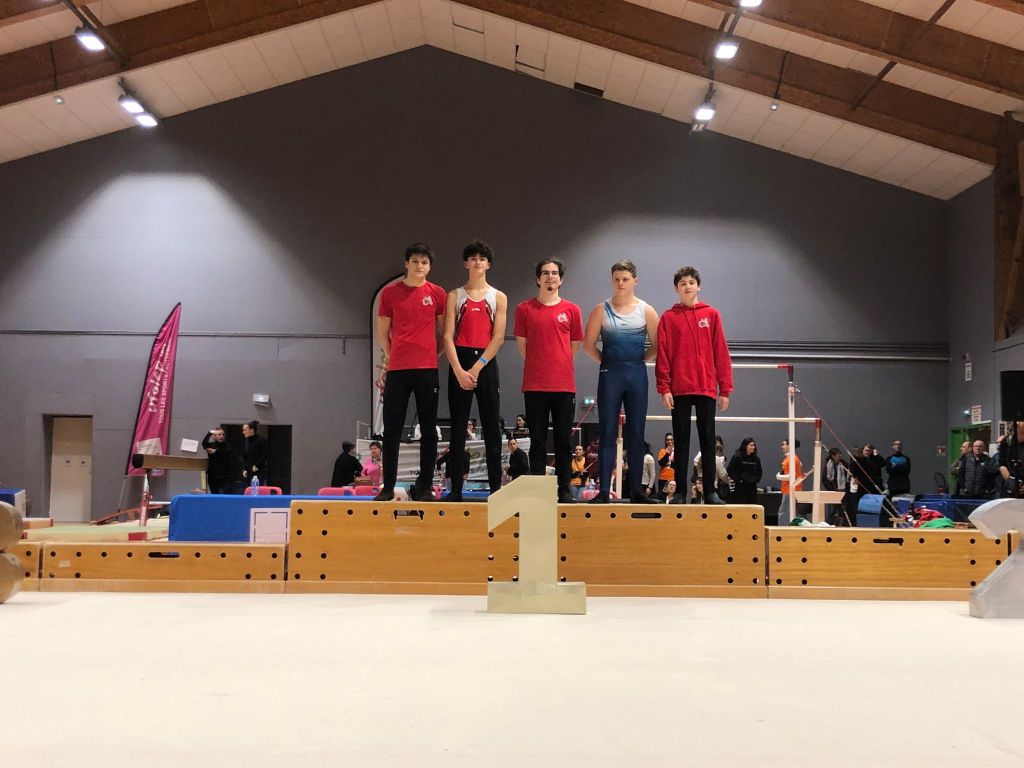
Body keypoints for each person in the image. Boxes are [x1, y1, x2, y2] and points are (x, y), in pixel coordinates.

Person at [582, 260, 659, 504]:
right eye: (616, 279)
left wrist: (638, 361)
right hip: (610, 375)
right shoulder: (600, 310)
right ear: (611, 281)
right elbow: (588, 345)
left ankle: (636, 491)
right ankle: (604, 491)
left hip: (636, 374)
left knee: (636, 433)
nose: (621, 283)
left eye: (625, 279)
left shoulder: (647, 311)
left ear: (635, 281)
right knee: (606, 432)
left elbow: (658, 346)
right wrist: (607, 362)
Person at [375, 243, 447, 502]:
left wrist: (432, 354)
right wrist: (395, 355)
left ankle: (425, 485)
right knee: (392, 429)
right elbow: (383, 332)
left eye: (424, 262)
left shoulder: (437, 293)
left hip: (427, 370)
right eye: (415, 261)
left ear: (430, 267)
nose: (419, 266)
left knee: (428, 430)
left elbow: (444, 334)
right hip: (398, 370)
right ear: (406, 264)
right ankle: (387, 486)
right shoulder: (390, 293)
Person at [655, 266, 733, 505]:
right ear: (676, 289)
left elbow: (721, 352)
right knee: (681, 441)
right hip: (679, 388)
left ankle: (710, 492)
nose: (687, 286)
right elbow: (663, 354)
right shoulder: (668, 318)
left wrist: (725, 389)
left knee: (708, 441)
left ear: (698, 286)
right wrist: (664, 387)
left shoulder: (711, 314)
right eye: (683, 283)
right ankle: (680, 492)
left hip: (705, 387)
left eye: (691, 282)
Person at [442, 240, 507, 501]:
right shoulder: (455, 296)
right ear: (466, 263)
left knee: (492, 428)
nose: (478, 262)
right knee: (458, 429)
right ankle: (455, 490)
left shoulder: (498, 297)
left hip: (486, 363)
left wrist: (477, 368)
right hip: (459, 360)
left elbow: (498, 337)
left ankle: (496, 490)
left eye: (482, 258)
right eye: (473, 258)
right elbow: (447, 337)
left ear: (488, 264)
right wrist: (458, 370)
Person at [514, 258, 584, 504]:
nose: (550, 277)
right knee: (537, 441)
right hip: (535, 386)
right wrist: (541, 364)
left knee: (564, 441)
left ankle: (564, 490)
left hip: (564, 386)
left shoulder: (572, 310)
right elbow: (522, 347)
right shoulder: (524, 309)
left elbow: (575, 346)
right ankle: (538, 492)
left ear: (561, 279)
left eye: (554, 273)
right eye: (545, 273)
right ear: (538, 279)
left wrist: (558, 364)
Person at [776, 439, 807, 519]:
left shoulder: (791, 459)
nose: (782, 447)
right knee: (788, 512)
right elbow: (800, 465)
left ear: (790, 446)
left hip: (790, 489)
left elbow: (791, 476)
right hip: (790, 488)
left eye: (784, 444)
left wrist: (778, 476)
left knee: (784, 513)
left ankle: (784, 527)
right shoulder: (791, 458)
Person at [202, 426, 237, 494]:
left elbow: (227, 452)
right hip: (213, 475)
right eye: (219, 434)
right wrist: (209, 433)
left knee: (227, 493)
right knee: (215, 493)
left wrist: (216, 451)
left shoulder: (227, 445)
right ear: (214, 436)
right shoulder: (211, 445)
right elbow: (204, 444)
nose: (221, 436)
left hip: (225, 475)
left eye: (223, 435)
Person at [727, 437, 762, 505]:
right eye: (751, 445)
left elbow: (759, 471)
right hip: (740, 487)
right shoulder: (737, 457)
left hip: (752, 487)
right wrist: (738, 480)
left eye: (754, 445)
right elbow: (730, 470)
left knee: (752, 505)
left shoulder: (756, 459)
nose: (753, 447)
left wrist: (756, 480)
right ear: (745, 446)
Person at [824, 447, 852, 526]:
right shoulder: (828, 465)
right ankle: (829, 524)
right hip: (832, 490)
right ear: (833, 456)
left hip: (842, 490)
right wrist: (832, 489)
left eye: (840, 454)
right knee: (832, 510)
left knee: (842, 509)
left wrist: (846, 487)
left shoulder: (843, 464)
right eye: (838, 455)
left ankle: (841, 524)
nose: (840, 456)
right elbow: (825, 479)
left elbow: (847, 476)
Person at [998, 422, 1024, 497]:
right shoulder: (1006, 442)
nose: (1017, 423)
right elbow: (1002, 465)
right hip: (1011, 490)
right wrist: (1011, 482)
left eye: (1020, 420)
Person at [241, 420, 268, 485]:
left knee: (257, 488)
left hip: (258, 470)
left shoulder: (261, 440)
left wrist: (257, 465)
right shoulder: (245, 441)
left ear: (252, 430)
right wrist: (244, 469)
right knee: (247, 489)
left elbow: (265, 454)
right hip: (247, 472)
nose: (243, 432)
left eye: (245, 430)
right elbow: (243, 456)